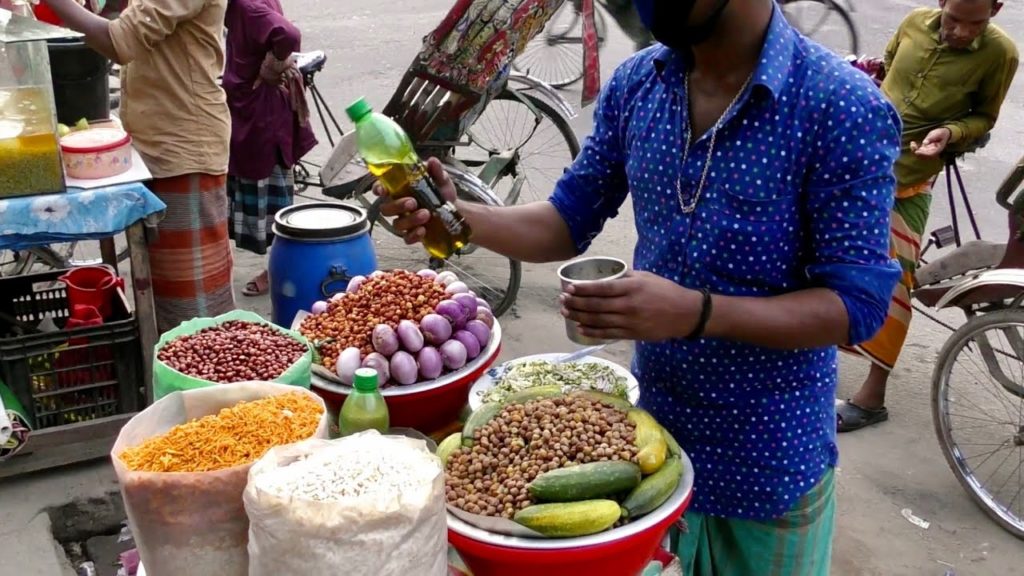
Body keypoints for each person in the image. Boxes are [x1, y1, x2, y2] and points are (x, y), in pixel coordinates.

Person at [379, 0, 901, 572]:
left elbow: (857, 304)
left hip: (767, 462)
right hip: (646, 451)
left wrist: (697, 313)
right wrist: (461, 219)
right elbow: (565, 221)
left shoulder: (841, 106)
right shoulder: (639, 84)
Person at [836, 0, 1018, 433]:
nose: (959, 31)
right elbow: (887, 78)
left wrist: (950, 134)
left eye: (973, 23)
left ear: (995, 8)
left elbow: (983, 118)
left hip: (911, 181)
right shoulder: (913, 22)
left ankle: (872, 397)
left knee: (894, 281)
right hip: (857, 163)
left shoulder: (1001, 54)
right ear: (940, 3)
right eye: (953, 19)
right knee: (820, 257)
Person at [42, 0, 236, 334]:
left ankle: (206, 382)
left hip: (183, 148)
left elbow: (119, 41)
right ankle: (172, 373)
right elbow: (123, 18)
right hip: (155, 144)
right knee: (163, 290)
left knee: (193, 310)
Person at [223, 0, 316, 296]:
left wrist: (269, 68)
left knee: (276, 209)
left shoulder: (244, 6)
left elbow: (287, 34)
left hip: (260, 115)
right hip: (254, 107)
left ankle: (281, 269)